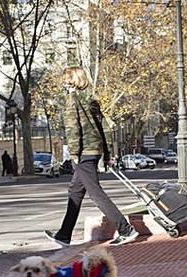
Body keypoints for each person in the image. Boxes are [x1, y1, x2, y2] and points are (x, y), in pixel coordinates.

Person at [44, 67, 138, 247]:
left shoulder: (72, 100)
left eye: (66, 79)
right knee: (75, 191)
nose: (64, 83)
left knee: (96, 193)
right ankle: (64, 235)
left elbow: (72, 129)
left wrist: (73, 153)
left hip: (84, 152)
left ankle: (126, 230)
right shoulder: (90, 99)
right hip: (94, 150)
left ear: (72, 81)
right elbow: (105, 128)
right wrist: (108, 152)